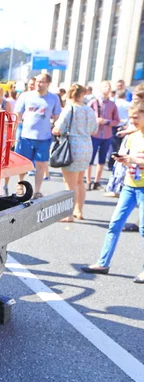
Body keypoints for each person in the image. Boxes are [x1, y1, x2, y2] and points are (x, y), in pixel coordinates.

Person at [82, 102, 144, 284]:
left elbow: (137, 159)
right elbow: (131, 159)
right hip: (129, 186)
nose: (132, 120)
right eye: (131, 117)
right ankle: (103, 263)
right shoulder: (132, 137)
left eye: (136, 117)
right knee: (114, 224)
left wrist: (133, 160)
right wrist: (124, 161)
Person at [52, 84, 97, 222]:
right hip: (86, 146)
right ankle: (79, 210)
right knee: (79, 181)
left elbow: (58, 129)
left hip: (72, 147)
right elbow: (94, 130)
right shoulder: (89, 110)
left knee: (69, 183)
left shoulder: (69, 109)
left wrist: (54, 129)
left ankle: (68, 214)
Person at [14, 73, 62, 199]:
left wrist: (57, 126)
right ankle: (20, 185)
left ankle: (37, 190)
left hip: (44, 137)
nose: (38, 84)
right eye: (37, 81)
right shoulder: (26, 96)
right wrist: (14, 131)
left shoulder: (53, 98)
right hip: (26, 136)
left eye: (41, 82)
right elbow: (17, 113)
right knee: (24, 164)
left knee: (41, 164)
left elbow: (57, 116)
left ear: (48, 84)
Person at [87, 81, 119, 190]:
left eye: (109, 87)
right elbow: (86, 116)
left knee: (102, 159)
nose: (107, 88)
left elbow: (116, 121)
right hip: (94, 135)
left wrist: (106, 121)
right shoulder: (93, 102)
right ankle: (88, 181)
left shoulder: (112, 105)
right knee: (90, 160)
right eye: (105, 86)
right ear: (100, 88)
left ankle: (97, 181)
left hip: (107, 135)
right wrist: (95, 121)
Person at [0, 87, 13, 196]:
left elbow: (10, 120)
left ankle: (5, 185)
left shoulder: (6, 104)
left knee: (5, 161)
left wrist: (11, 137)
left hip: (3, 135)